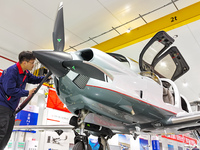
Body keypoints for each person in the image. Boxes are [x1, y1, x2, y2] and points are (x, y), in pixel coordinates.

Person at [0, 51, 45, 149]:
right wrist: (27, 92)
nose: (33, 65)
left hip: (11, 109)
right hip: (2, 106)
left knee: (6, 135)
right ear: (24, 62)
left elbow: (34, 79)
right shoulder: (11, 72)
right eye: (32, 63)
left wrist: (47, 77)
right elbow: (10, 90)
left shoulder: (25, 72)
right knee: (1, 133)